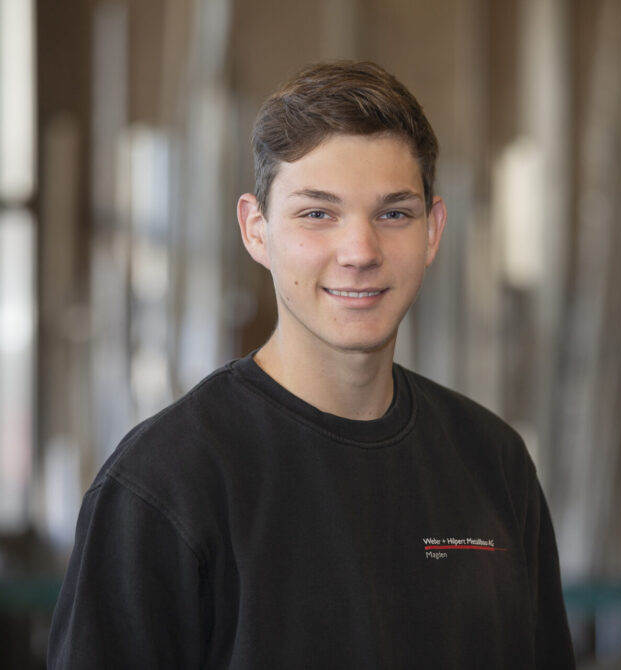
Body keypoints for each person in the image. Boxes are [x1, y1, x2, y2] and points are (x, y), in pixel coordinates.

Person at [48, 61, 575, 669]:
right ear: (256, 230)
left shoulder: (494, 464)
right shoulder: (164, 485)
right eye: (318, 213)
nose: (360, 252)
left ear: (432, 231)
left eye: (393, 213)